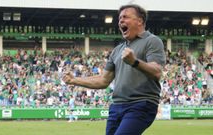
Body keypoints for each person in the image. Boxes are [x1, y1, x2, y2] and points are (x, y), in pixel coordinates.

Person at [63, 4, 166, 135]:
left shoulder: (152, 41)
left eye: (125, 17)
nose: (120, 21)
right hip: (117, 106)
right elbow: (103, 80)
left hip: (141, 104)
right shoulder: (118, 50)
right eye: (119, 18)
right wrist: (75, 80)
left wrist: (135, 62)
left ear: (140, 21)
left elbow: (157, 71)